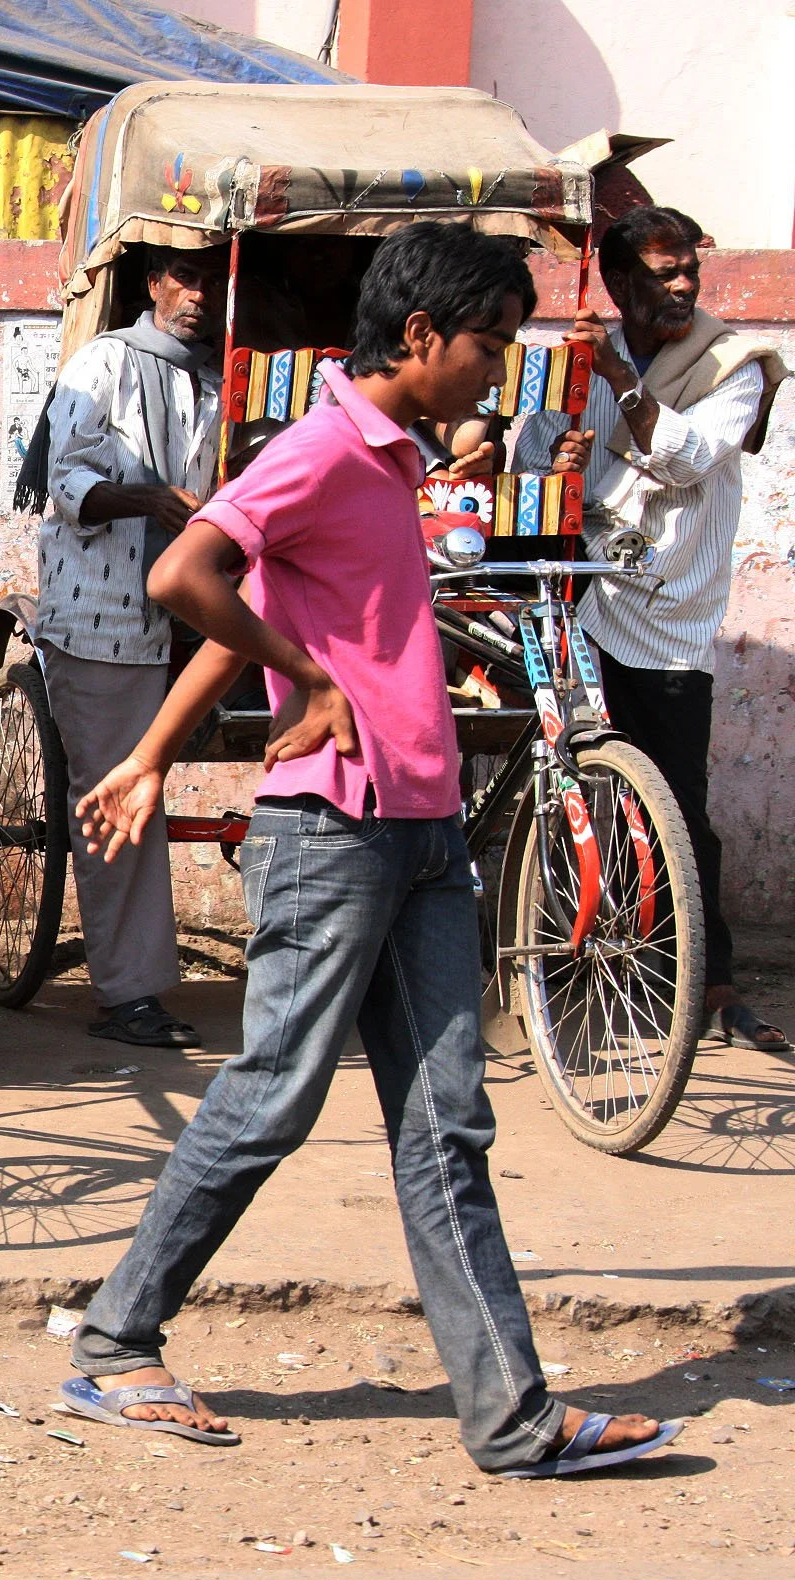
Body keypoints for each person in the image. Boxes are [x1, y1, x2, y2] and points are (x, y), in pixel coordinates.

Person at [57, 223, 680, 1479]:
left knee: (447, 1120)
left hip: (418, 826)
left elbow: (260, 617)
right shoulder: (327, 445)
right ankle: (119, 1339)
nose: (497, 370)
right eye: (488, 344)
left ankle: (511, 1417)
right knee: (273, 1094)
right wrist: (304, 678)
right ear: (419, 337)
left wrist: (154, 754)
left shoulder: (384, 460)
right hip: (330, 830)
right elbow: (190, 574)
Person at [514, 206, 791, 1052]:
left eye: (688, 273)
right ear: (620, 282)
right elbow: (530, 457)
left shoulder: (732, 364)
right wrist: (555, 460)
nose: (680, 288)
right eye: (661, 274)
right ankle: (572, 969)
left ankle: (708, 984)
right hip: (580, 598)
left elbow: (687, 459)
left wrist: (620, 386)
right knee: (575, 794)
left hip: (667, 612)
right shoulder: (577, 357)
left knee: (676, 804)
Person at [26, 246, 228, 1049]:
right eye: (183, 276)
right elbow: (66, 483)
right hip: (105, 612)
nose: (196, 294)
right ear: (154, 284)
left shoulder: (226, 378)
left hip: (204, 603)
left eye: (211, 279)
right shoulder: (104, 362)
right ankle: (129, 993)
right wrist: (146, 498)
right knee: (123, 796)